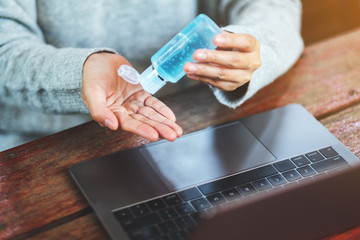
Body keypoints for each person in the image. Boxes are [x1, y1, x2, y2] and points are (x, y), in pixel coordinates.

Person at [0, 0, 304, 151]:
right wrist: (80, 71)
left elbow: (273, 7)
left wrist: (248, 46)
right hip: (39, 146)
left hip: (187, 126)